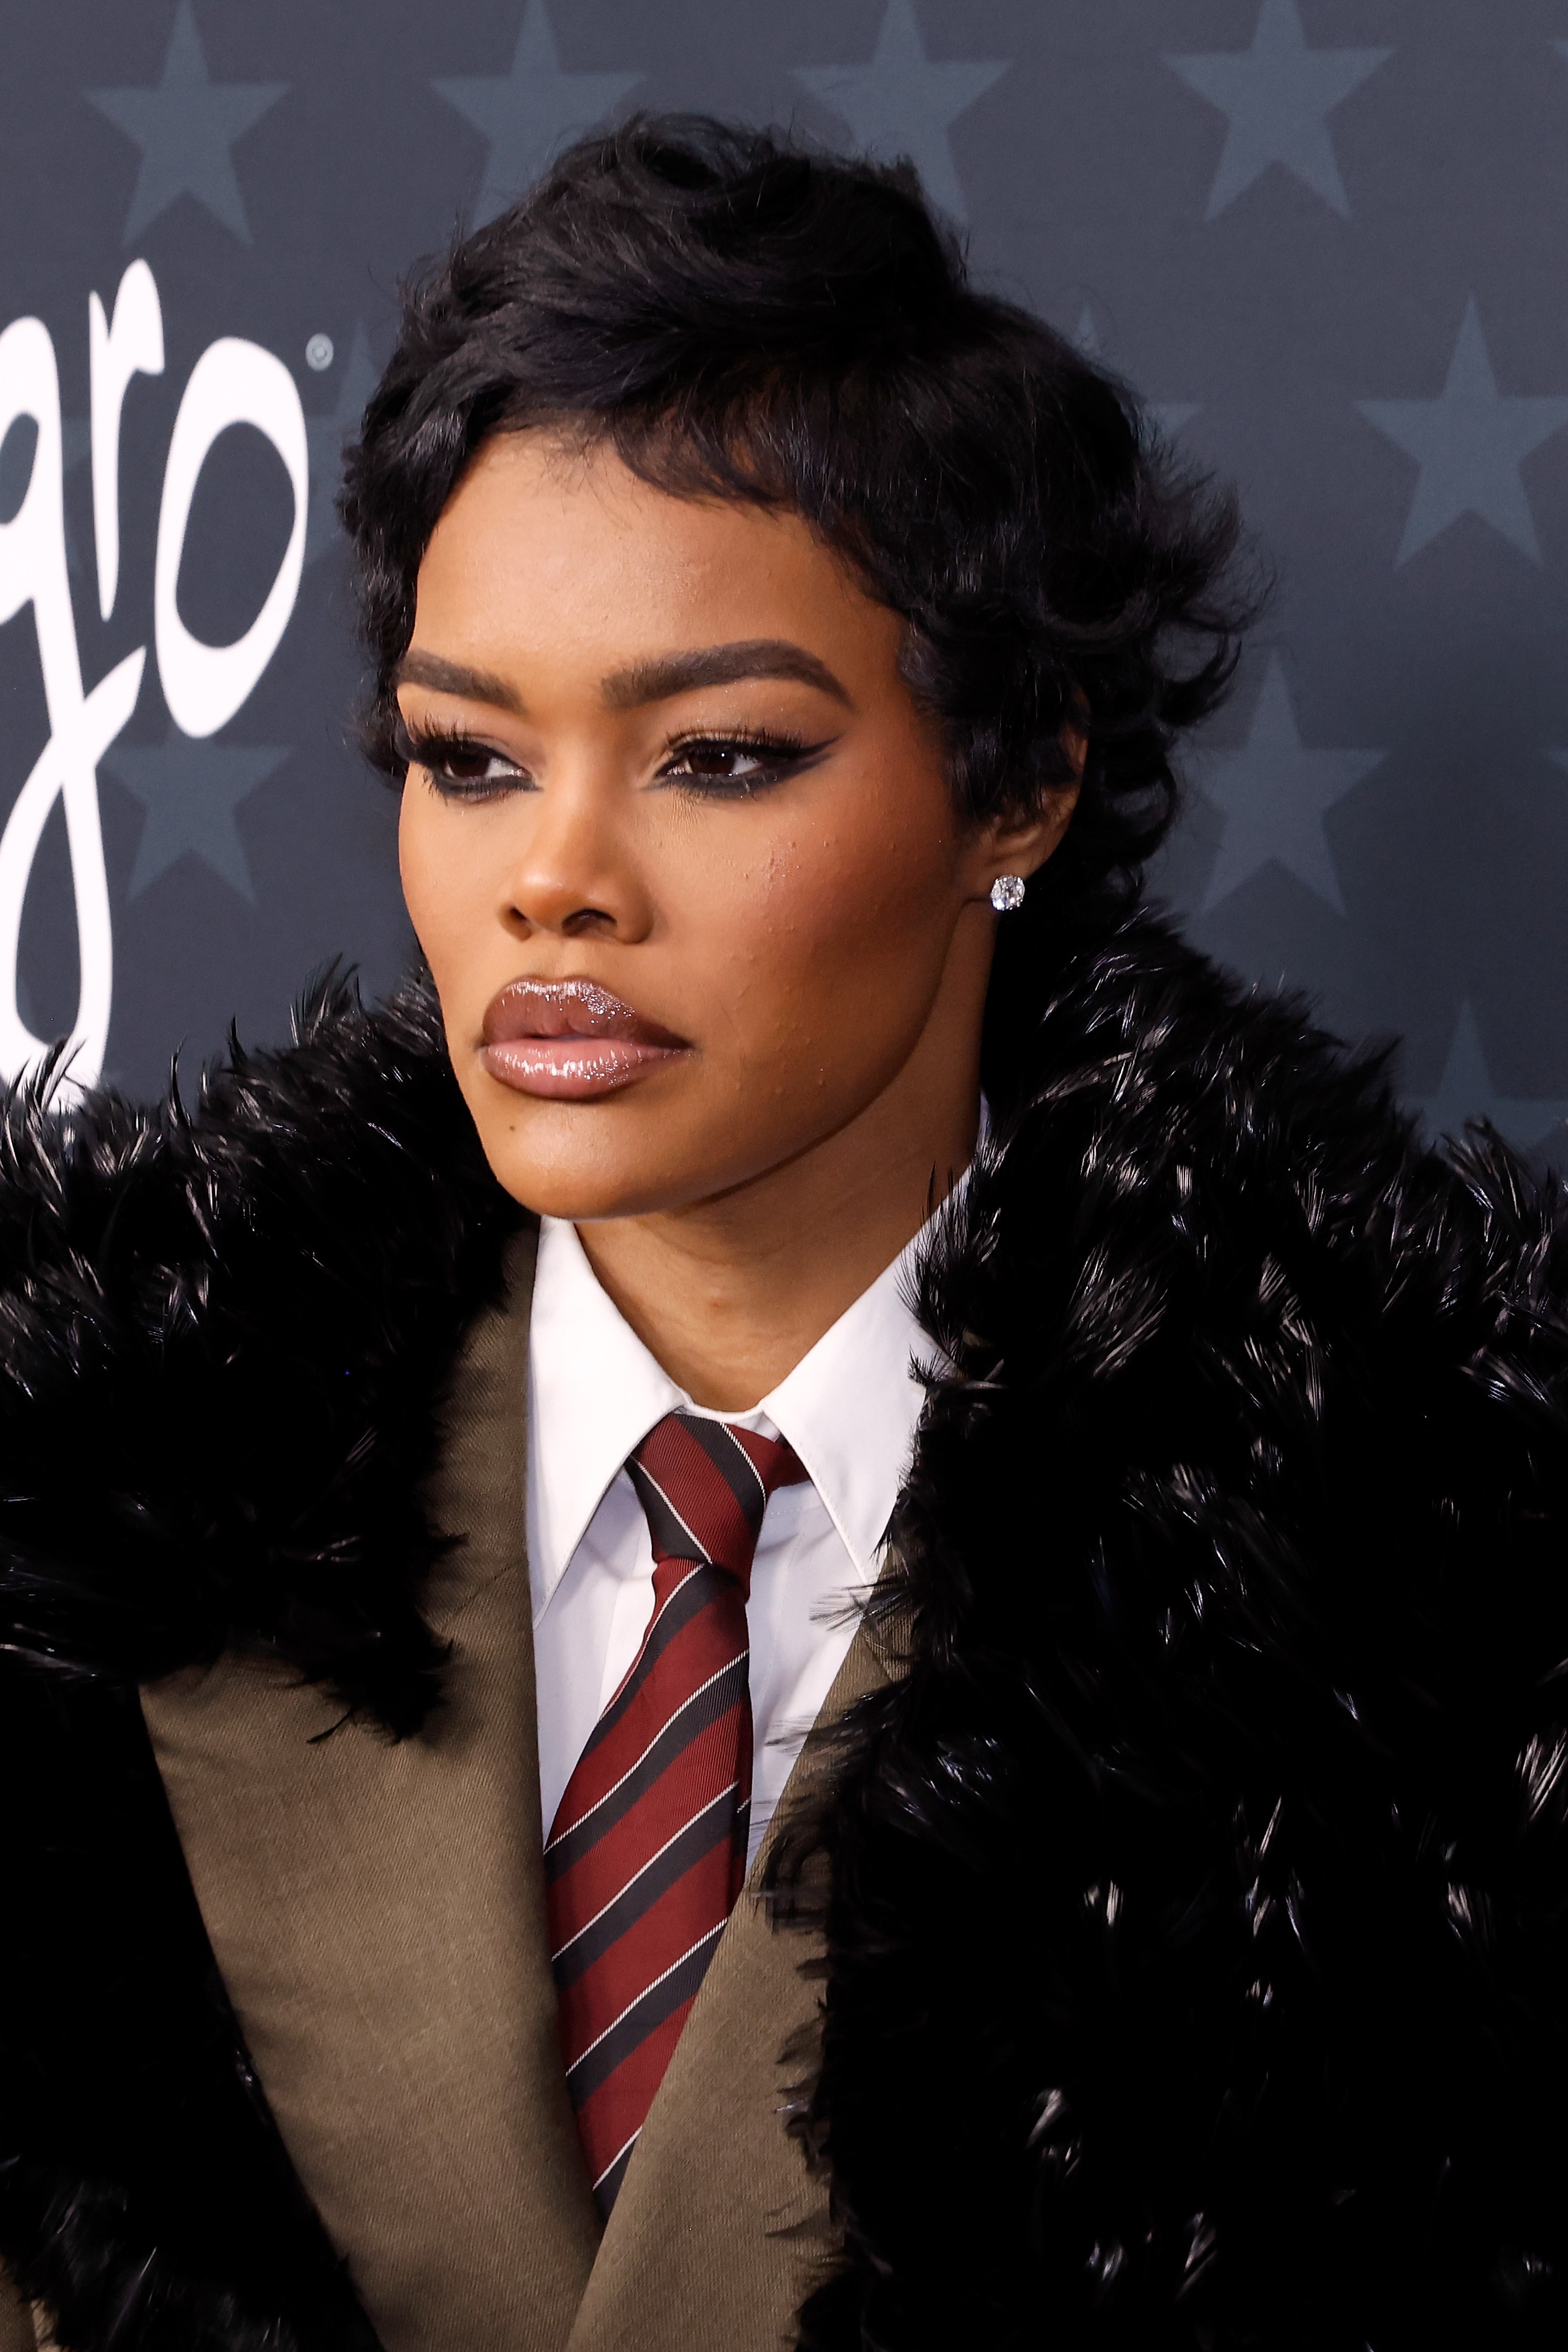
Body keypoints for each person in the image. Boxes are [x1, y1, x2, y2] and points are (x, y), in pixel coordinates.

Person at [2, 113, 1566, 2352]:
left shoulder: (1435, 1599)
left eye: (718, 755)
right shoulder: (77, 1525)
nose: (559, 878)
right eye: (467, 757)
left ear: (1016, 781)